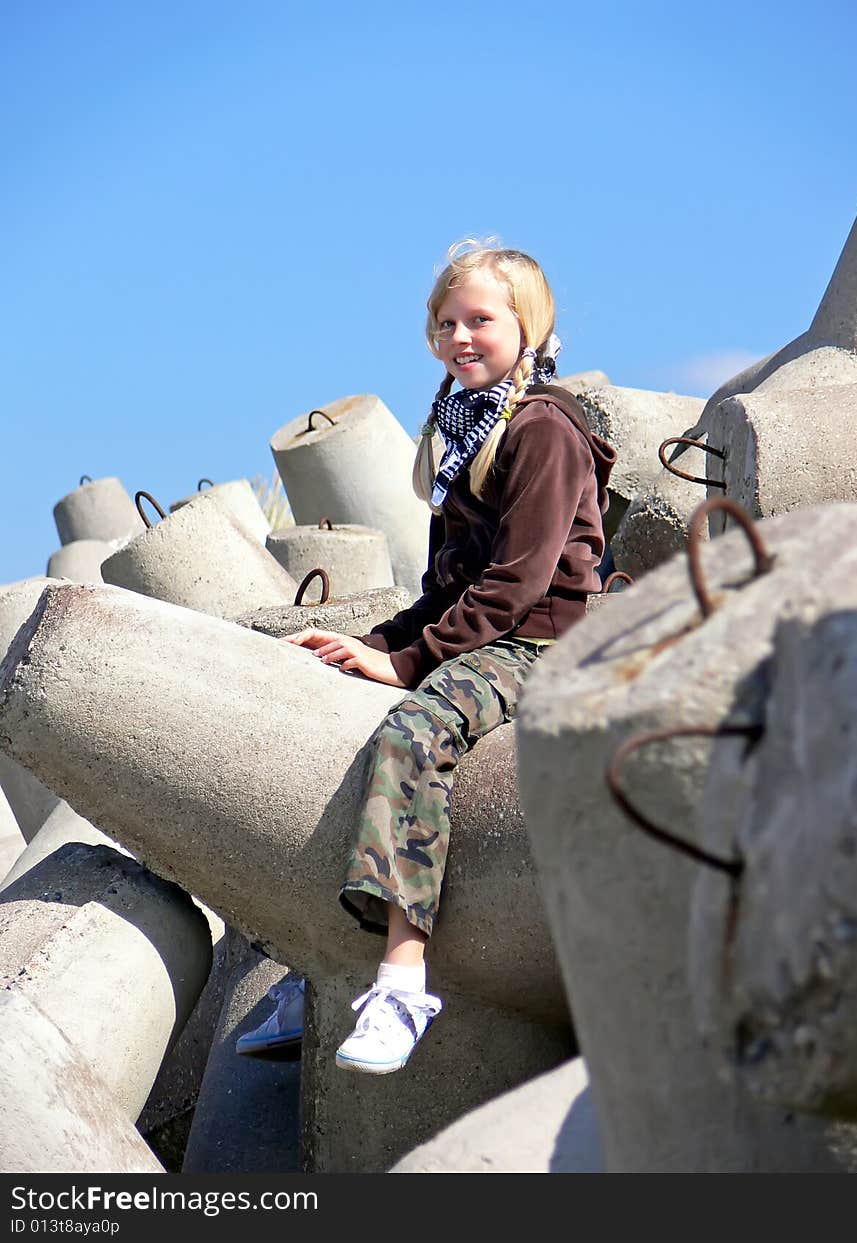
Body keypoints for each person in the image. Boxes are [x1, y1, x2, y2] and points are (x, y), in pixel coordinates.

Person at [236, 240, 615, 1073]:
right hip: (486, 629)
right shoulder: (460, 425)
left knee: (414, 733)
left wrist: (411, 666)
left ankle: (402, 982)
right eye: (446, 322)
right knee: (330, 706)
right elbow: (447, 585)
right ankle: (320, 962)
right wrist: (370, 645)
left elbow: (516, 587)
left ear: (529, 325)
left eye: (480, 319)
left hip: (546, 643)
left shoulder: (545, 430)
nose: (460, 336)